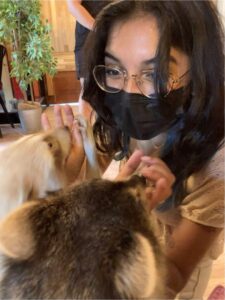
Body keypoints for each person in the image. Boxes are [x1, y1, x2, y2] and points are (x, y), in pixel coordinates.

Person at [42, 1, 224, 299]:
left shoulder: (218, 160)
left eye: (155, 74)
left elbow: (174, 276)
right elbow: (89, 175)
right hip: (142, 227)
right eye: (114, 69)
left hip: (181, 258)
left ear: (199, 70)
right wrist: (64, 175)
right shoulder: (117, 105)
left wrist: (119, 227)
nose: (129, 92)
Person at [66, 0, 111, 121]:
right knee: (89, 92)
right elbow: (72, 5)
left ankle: (110, 135)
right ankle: (86, 137)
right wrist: (98, 28)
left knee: (113, 90)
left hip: (114, 39)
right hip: (89, 39)